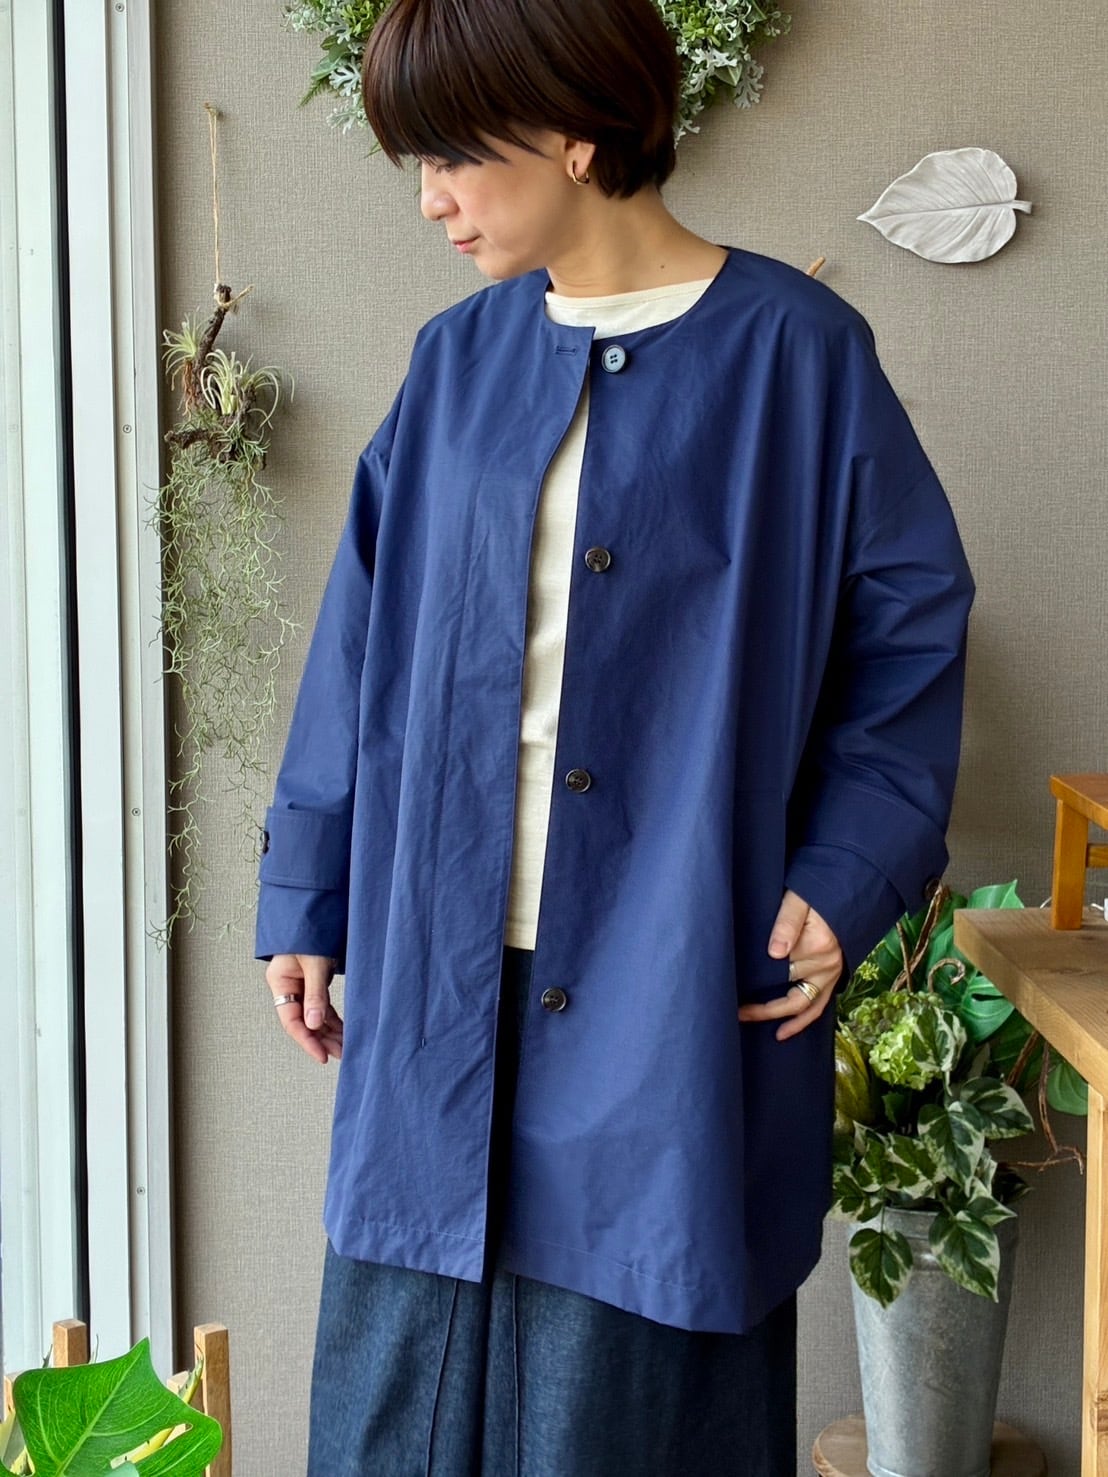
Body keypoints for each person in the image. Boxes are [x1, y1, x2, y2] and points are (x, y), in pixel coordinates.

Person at [255, 0, 975, 1470]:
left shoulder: (798, 357)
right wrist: (309, 894)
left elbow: (909, 635)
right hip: (443, 958)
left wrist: (847, 872)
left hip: (672, 965)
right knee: (400, 1389)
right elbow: (358, 648)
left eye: (454, 155)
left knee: (628, 1395)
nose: (431, 199)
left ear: (576, 133)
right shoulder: (453, 365)